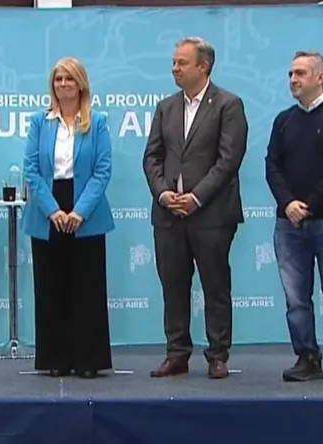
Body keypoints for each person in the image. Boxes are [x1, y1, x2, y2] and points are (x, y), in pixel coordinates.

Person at [142, 37, 248, 379]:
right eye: (174, 62)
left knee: (215, 286)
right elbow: (152, 157)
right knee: (173, 286)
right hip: (168, 215)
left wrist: (197, 197)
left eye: (182, 63)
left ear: (204, 66)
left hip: (212, 214)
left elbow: (228, 160)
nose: (175, 68)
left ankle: (217, 354)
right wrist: (163, 194)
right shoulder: (166, 107)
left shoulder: (228, 105)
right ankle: (177, 353)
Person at [265, 51, 323, 383]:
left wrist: (308, 205)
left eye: (300, 73)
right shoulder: (284, 121)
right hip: (288, 224)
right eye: (291, 74)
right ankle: (307, 358)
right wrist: (288, 203)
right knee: (296, 299)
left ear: (321, 77)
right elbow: (272, 167)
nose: (293, 79)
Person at [22, 57, 115, 379]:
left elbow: (102, 170)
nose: (63, 84)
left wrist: (79, 212)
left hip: (86, 209)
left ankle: (88, 359)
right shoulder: (40, 122)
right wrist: (52, 210)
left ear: (80, 84)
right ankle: (56, 358)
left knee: (87, 287)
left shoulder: (97, 122)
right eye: (58, 79)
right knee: (51, 287)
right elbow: (31, 170)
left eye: (69, 79)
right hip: (47, 208)